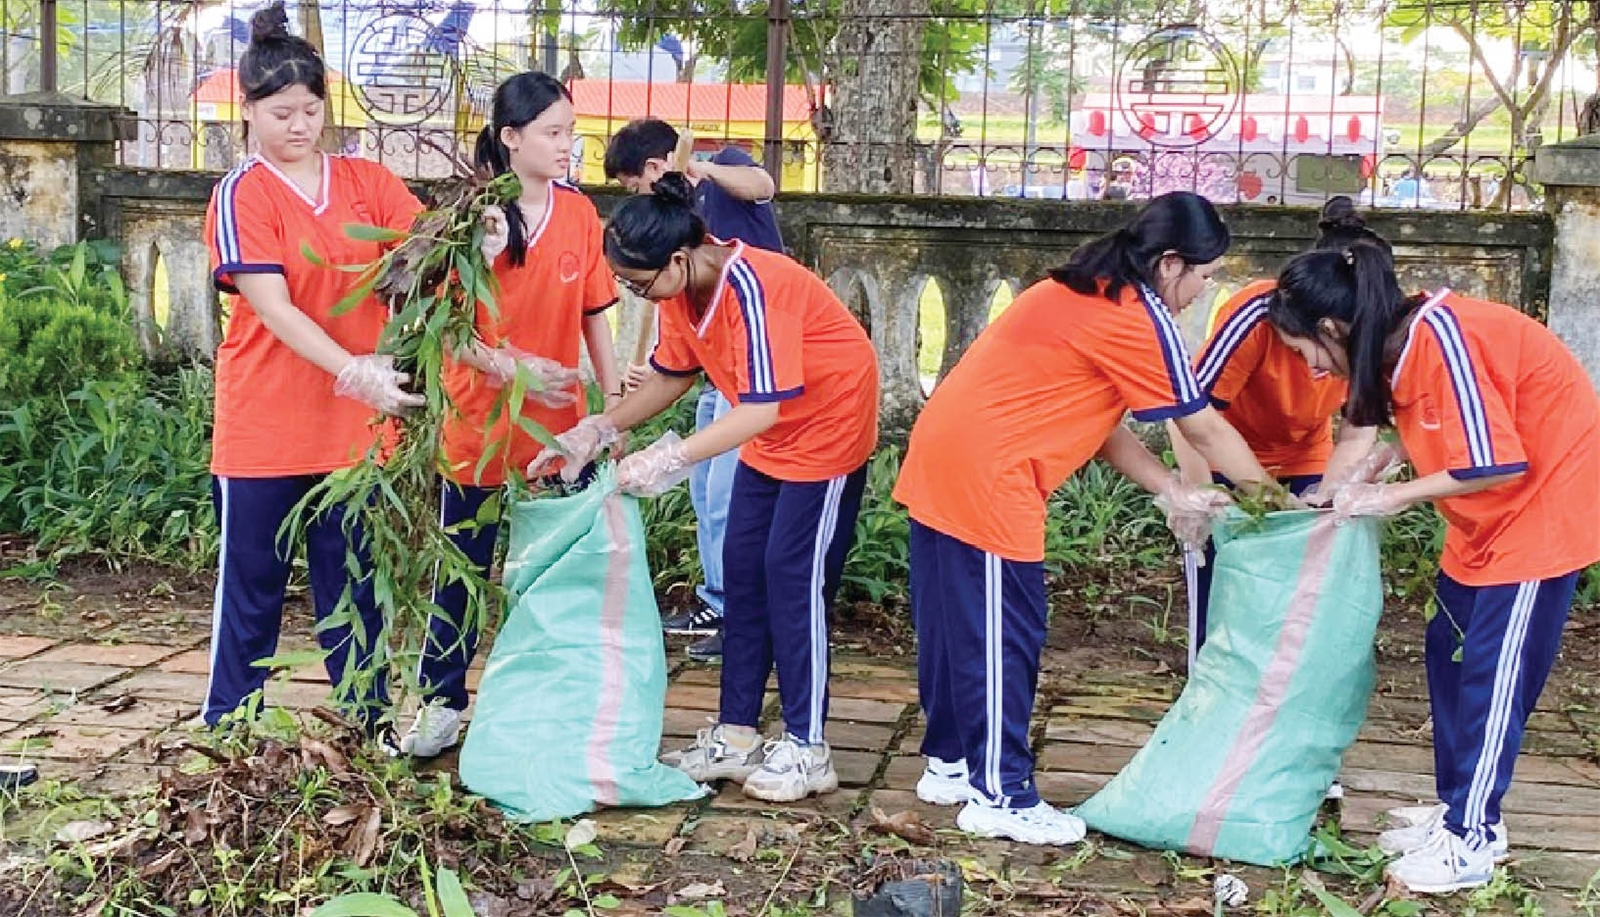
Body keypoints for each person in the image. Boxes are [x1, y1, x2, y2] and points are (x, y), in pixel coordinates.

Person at [892, 191, 1272, 846]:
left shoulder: (1087, 287)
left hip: (950, 454)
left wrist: (1167, 487)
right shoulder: (1137, 315)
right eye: (1204, 278)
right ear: (1172, 263)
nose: (1201, 294)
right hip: (990, 473)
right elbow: (1204, 426)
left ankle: (953, 762)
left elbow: (1097, 420)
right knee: (1004, 631)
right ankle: (1002, 793)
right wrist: (1274, 501)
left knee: (960, 624)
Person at [529, 173, 879, 803]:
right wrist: (600, 426)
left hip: (826, 431)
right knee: (742, 571)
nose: (639, 296)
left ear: (680, 259)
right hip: (773, 435)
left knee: (792, 580)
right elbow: (670, 375)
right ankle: (737, 735)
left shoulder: (754, 290)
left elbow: (759, 409)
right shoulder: (680, 295)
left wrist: (669, 457)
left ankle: (808, 745)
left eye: (640, 284)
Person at [1268, 242, 1600, 894]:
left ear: (1334, 329)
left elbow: (1493, 460)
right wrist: (1374, 465)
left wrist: (1388, 496)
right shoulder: (1403, 344)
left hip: (1540, 516)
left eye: (1308, 352)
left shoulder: (1445, 339)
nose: (1310, 369)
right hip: (1484, 522)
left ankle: (1473, 837)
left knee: (1489, 678)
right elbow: (1423, 418)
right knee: (1446, 650)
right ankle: (1459, 810)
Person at [200, 2, 423, 739]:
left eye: (310, 109)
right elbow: (274, 306)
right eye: (281, 112)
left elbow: (424, 252)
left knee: (356, 583)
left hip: (353, 434)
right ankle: (230, 724)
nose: (298, 126)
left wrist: (476, 235)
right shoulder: (243, 194)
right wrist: (355, 368)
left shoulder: (367, 182)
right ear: (252, 111)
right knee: (252, 587)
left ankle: (367, 722)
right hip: (266, 424)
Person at [398, 72, 622, 758]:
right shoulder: (473, 218)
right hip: (479, 422)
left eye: (570, 133)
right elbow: (443, 326)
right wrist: (512, 367)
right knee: (462, 569)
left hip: (559, 429)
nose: (566, 146)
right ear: (511, 137)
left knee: (555, 571)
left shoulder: (580, 214)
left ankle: (551, 705)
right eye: (553, 133)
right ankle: (441, 703)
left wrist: (613, 409)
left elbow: (596, 317)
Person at [1170, 196, 1384, 663]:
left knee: (1304, 590)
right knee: (1221, 587)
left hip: (1307, 457)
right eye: (1297, 350)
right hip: (1226, 456)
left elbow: (1357, 429)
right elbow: (1190, 416)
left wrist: (1329, 495)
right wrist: (1197, 493)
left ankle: (1279, 695)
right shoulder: (1255, 316)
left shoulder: (1370, 329)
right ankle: (1207, 689)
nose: (1317, 369)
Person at [606, 119, 785, 663]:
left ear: (656, 168)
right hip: (716, 372)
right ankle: (718, 598)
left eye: (632, 184)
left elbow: (764, 185)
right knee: (708, 493)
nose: (636, 197)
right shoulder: (670, 249)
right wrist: (652, 375)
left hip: (757, 370)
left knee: (733, 497)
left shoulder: (720, 171)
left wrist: (701, 167)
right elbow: (676, 303)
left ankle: (743, 615)